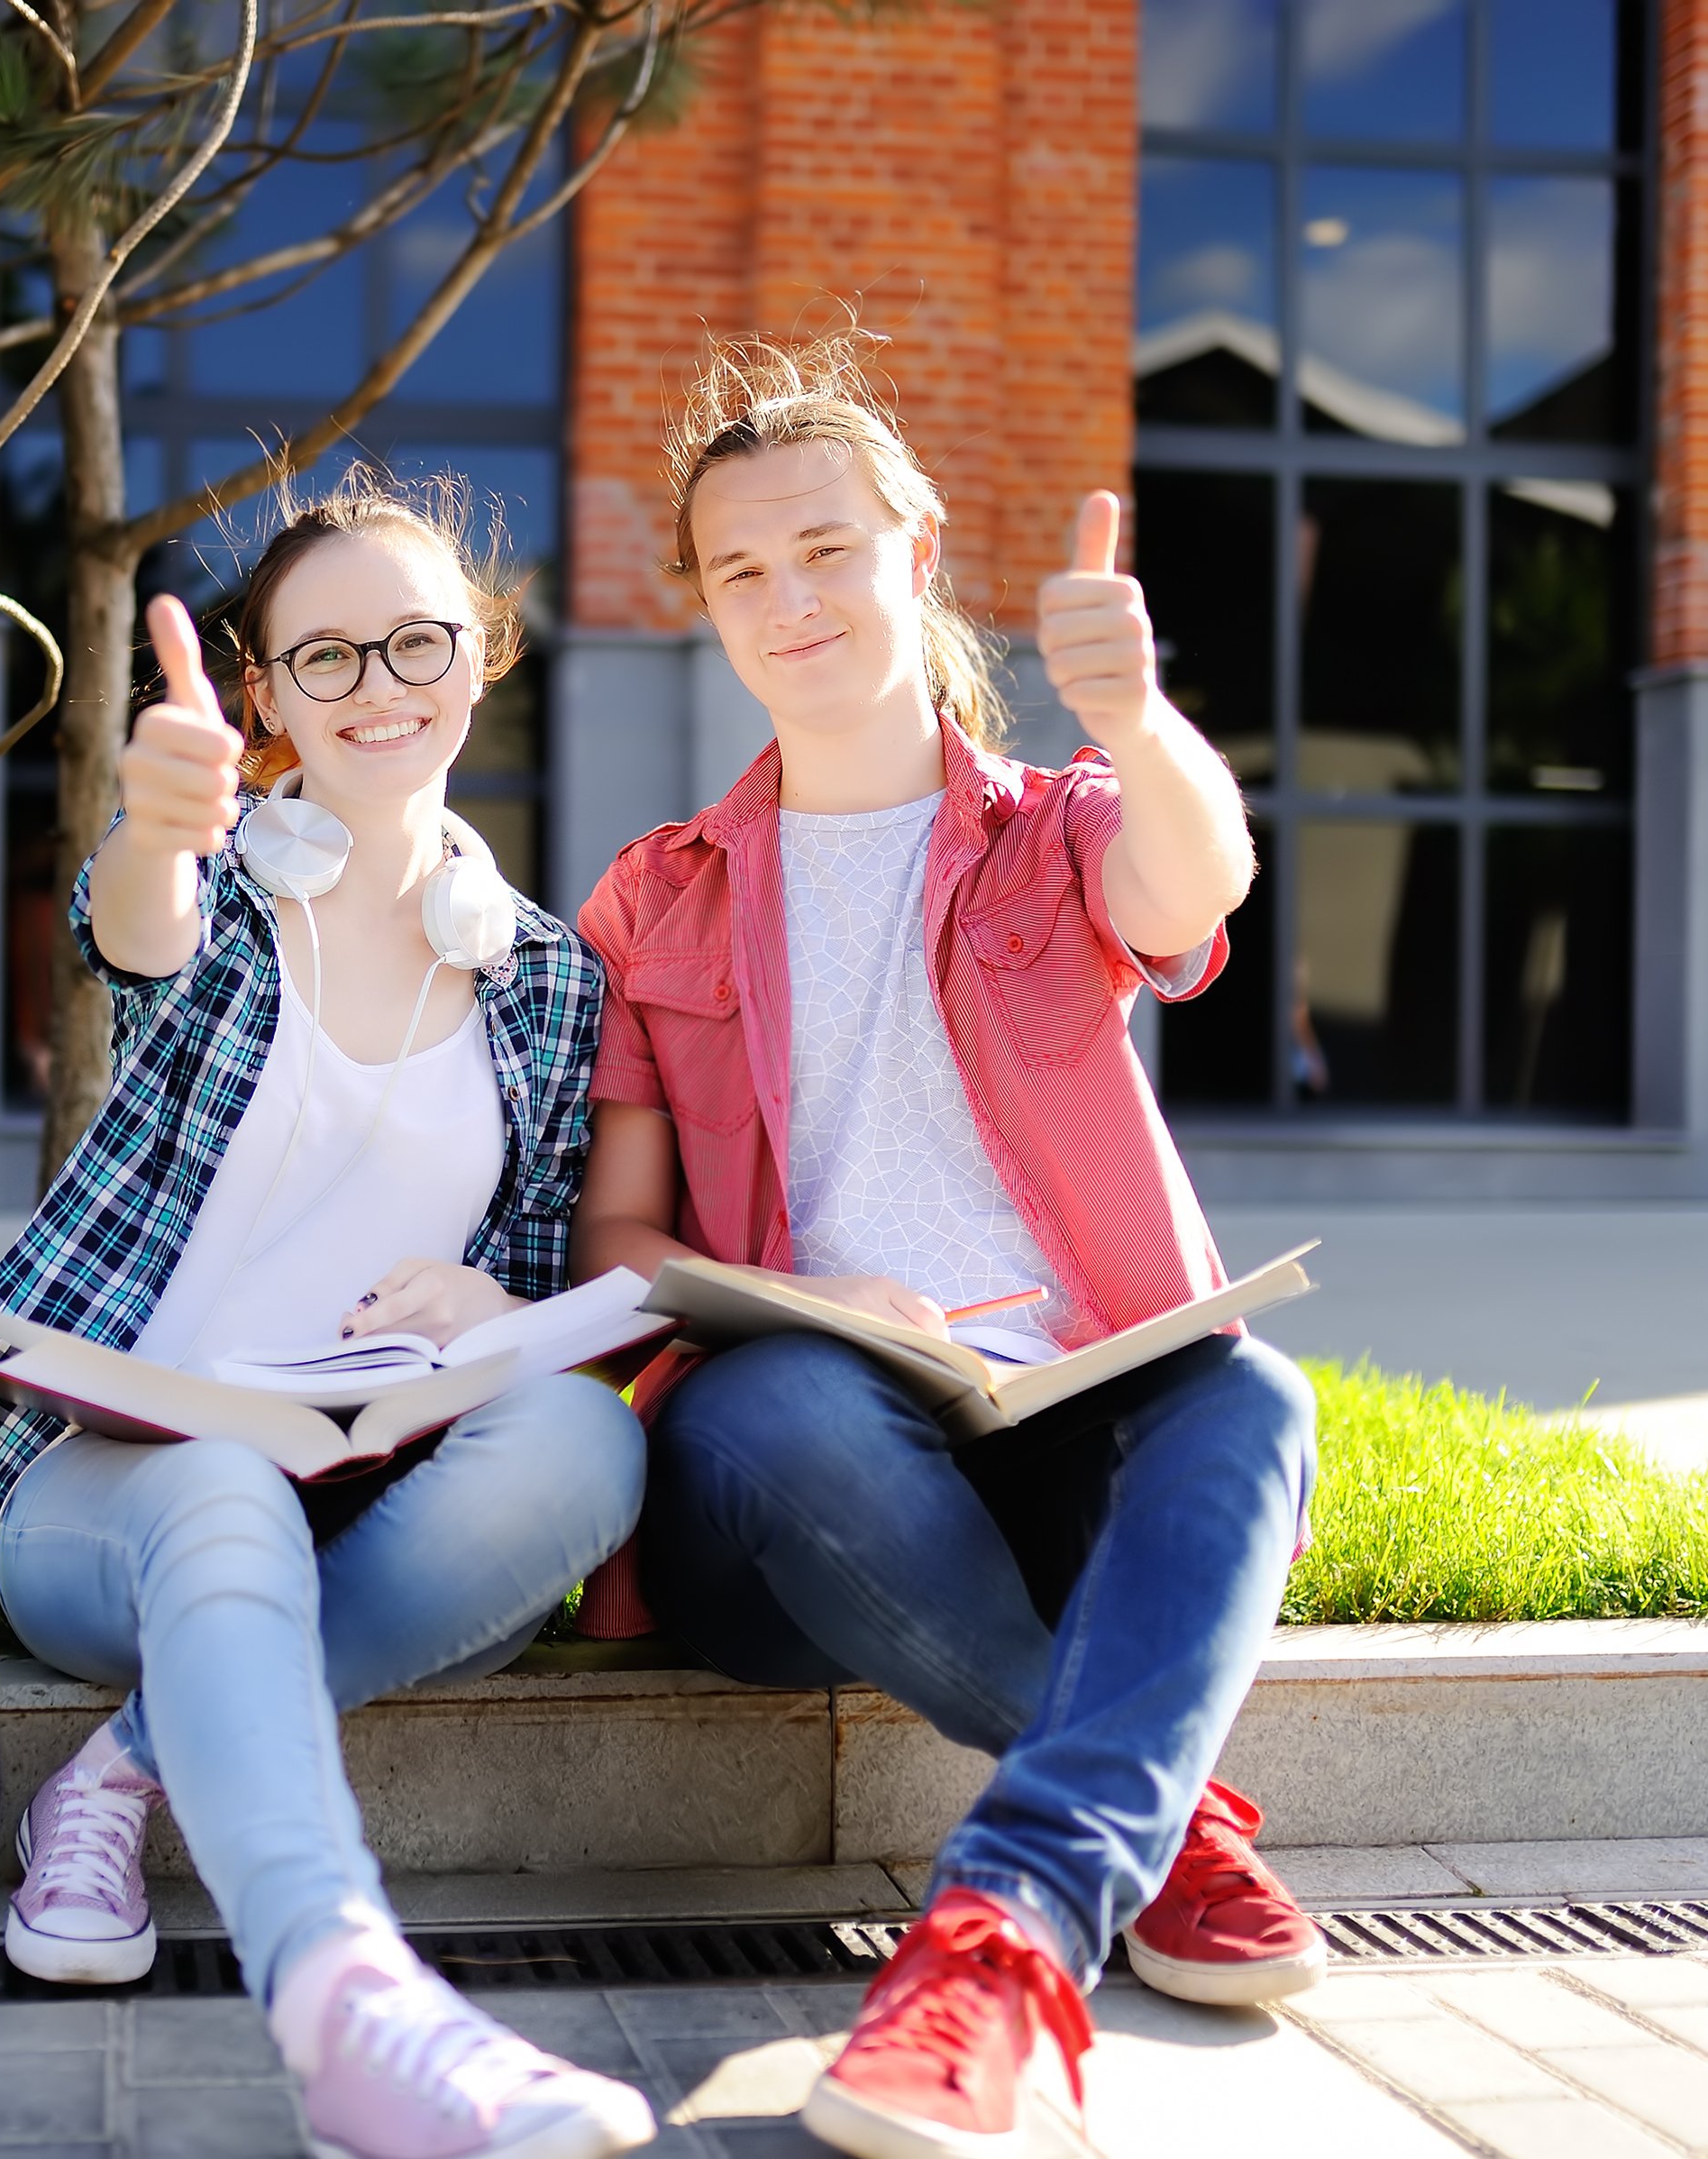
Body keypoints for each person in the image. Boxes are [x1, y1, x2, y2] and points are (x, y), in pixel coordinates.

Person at [570, 334, 1322, 2159]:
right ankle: (1168, 1818)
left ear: (914, 550)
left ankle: (1003, 1943)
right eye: (741, 570)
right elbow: (620, 1236)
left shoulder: (1057, 829)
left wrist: (1140, 722)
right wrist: (817, 1300)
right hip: (796, 1478)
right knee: (782, 1413)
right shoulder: (658, 897)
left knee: (1253, 1401)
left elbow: (1192, 884)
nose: (787, 598)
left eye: (824, 547)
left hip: (1063, 1420)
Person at [0, 477, 658, 2159]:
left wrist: (494, 1301)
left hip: (379, 1512)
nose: (379, 685)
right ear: (262, 697)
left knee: (586, 1443)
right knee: (225, 1487)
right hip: (122, 1502)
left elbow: (540, 1285)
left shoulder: (545, 978)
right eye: (325, 659)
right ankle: (349, 2012)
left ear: (485, 657)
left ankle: (119, 1773)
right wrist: (162, 825)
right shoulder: (225, 888)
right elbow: (131, 933)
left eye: (417, 642)